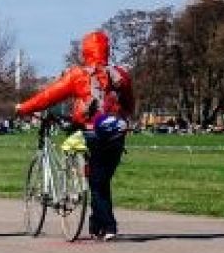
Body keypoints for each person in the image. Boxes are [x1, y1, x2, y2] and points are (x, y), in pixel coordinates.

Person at [15, 29, 137, 240]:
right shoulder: (120, 75)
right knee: (101, 180)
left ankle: (107, 226)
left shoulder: (78, 74)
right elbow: (130, 104)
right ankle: (97, 225)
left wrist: (23, 108)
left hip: (91, 131)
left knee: (96, 180)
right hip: (117, 133)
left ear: (86, 51)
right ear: (107, 50)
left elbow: (48, 96)